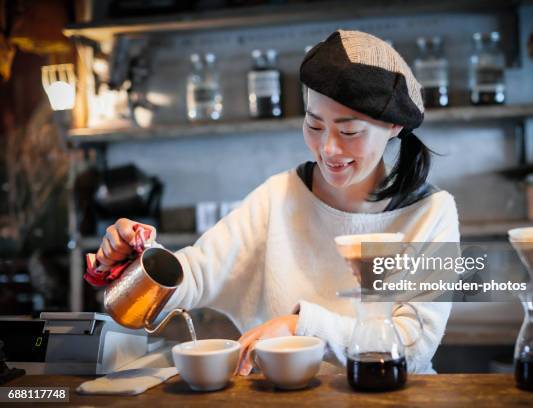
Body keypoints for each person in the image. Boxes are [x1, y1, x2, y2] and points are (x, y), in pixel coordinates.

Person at [92, 30, 460, 375]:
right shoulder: (280, 195)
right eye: (314, 126)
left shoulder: (431, 212)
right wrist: (143, 260)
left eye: (349, 131)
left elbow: (414, 346)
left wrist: (302, 326)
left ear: (394, 127)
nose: (328, 149)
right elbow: (199, 272)